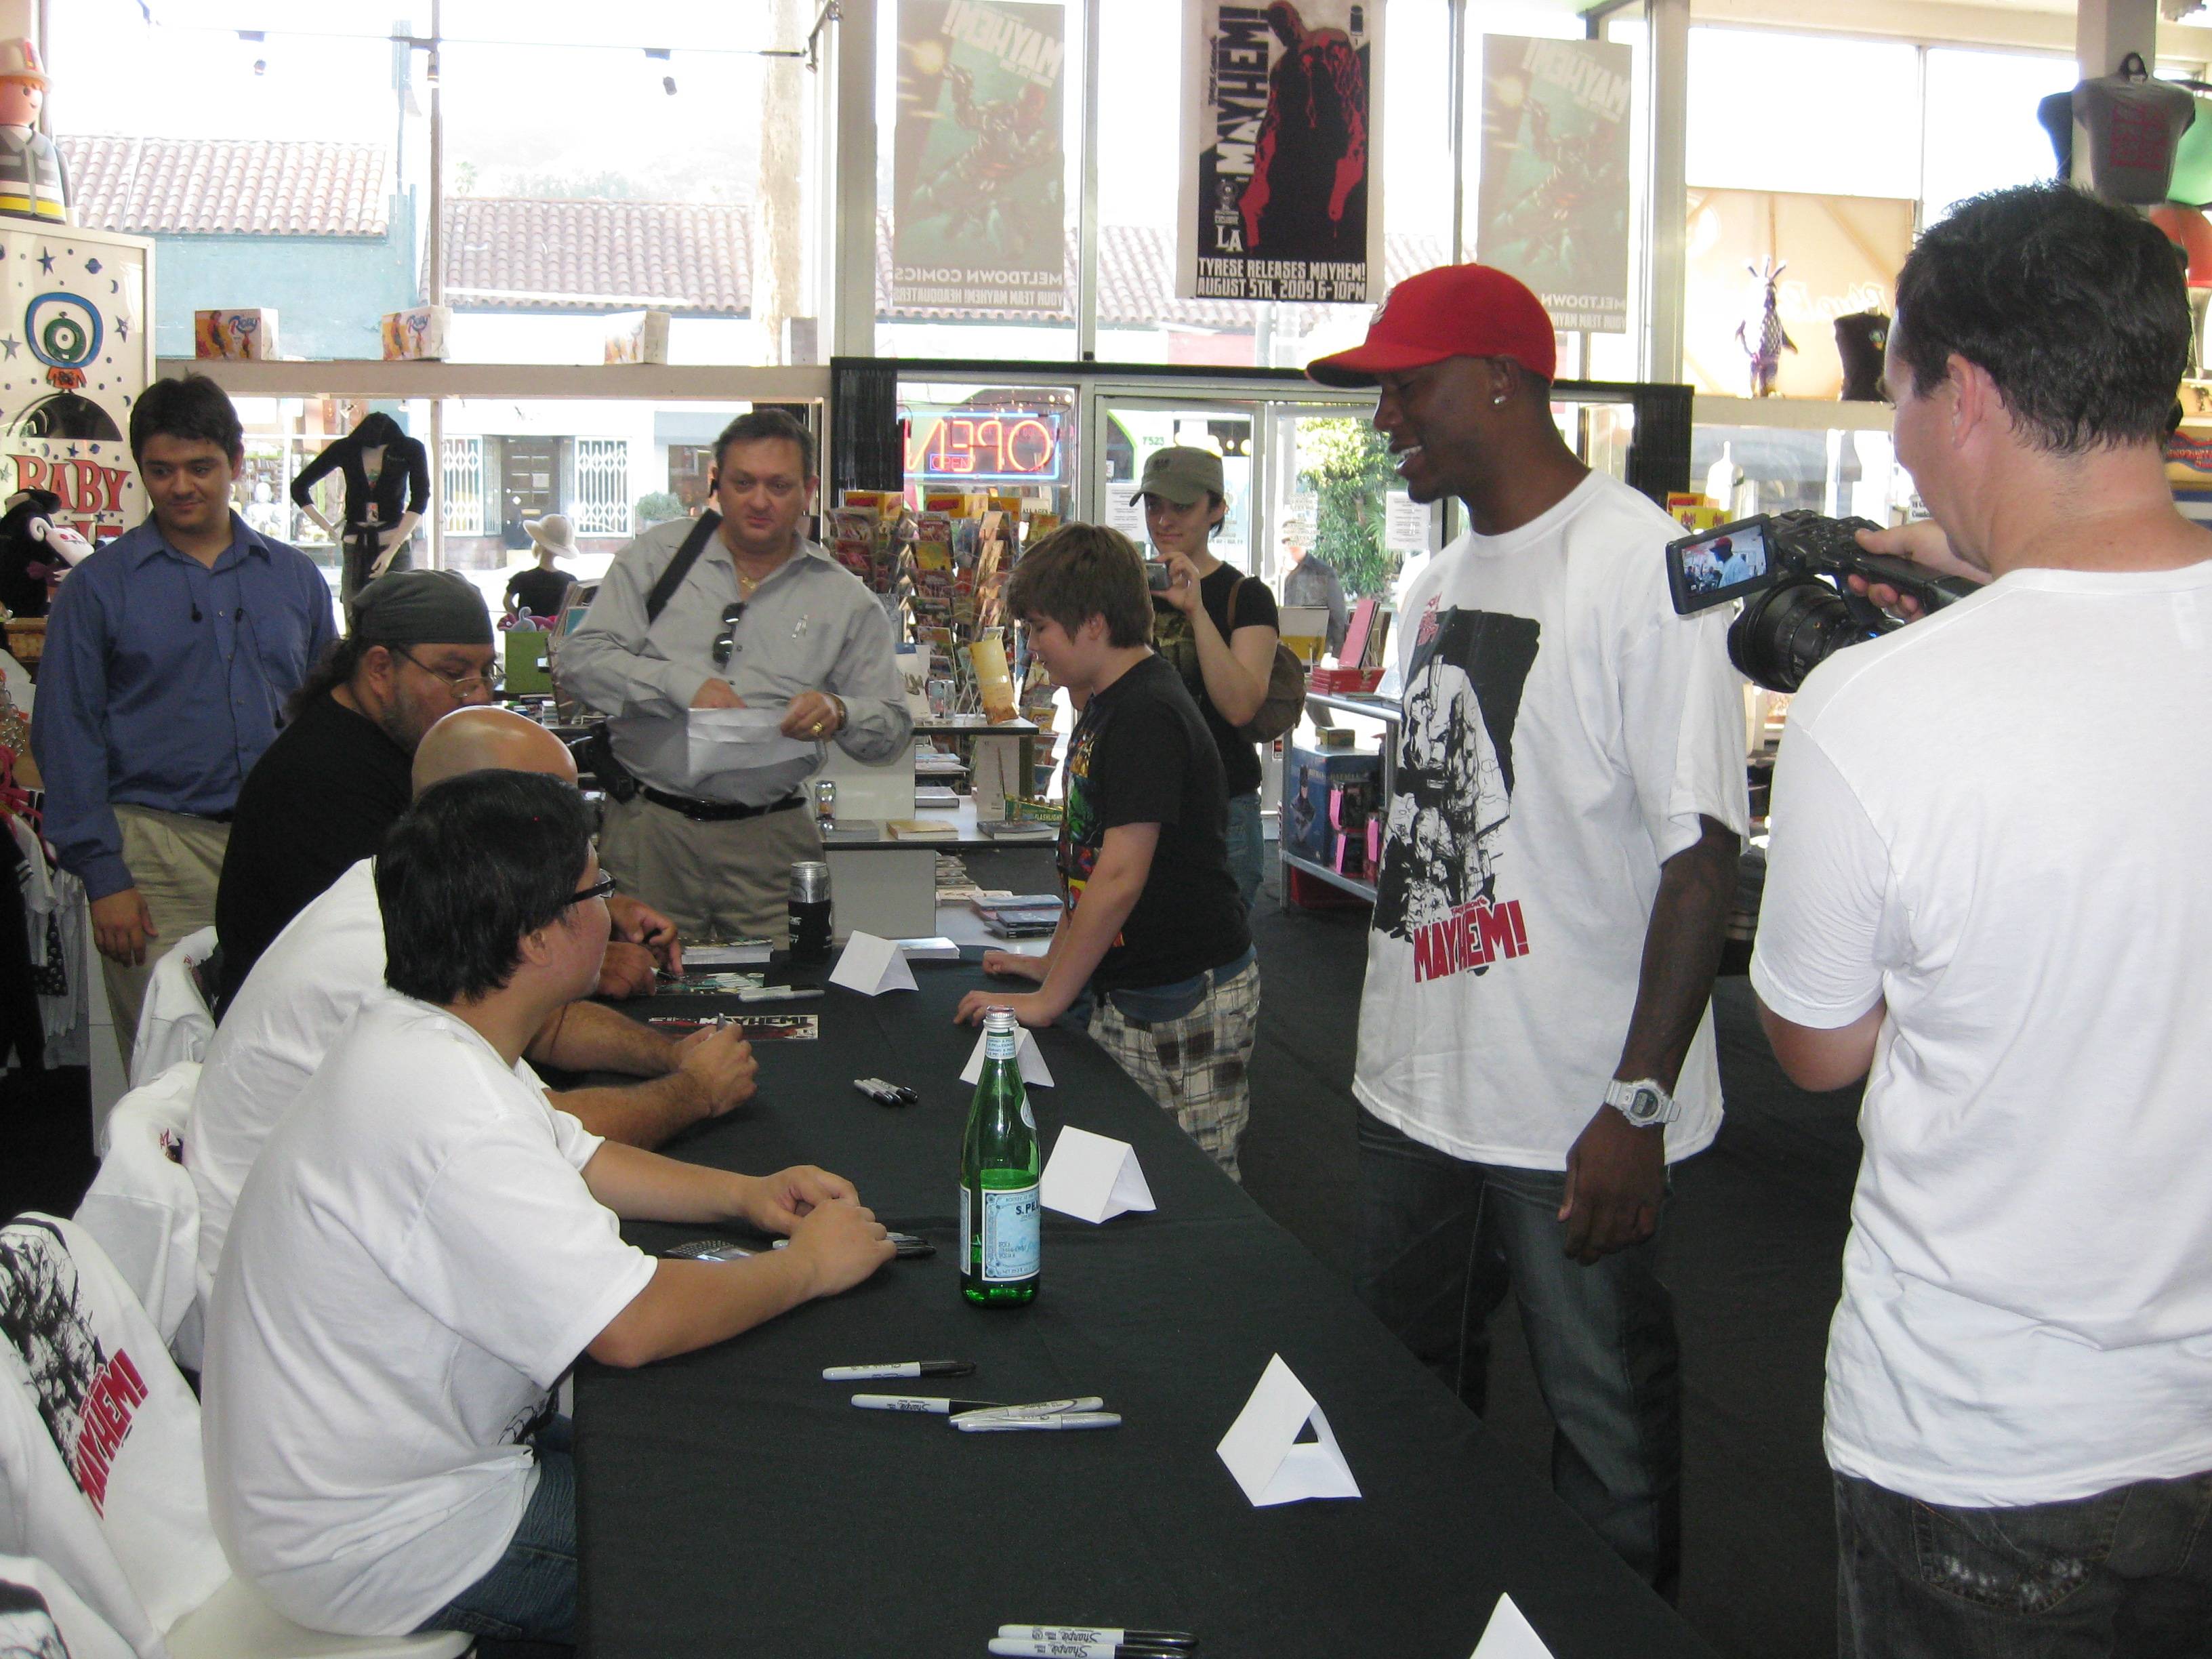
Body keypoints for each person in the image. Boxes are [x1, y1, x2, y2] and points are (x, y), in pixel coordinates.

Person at [1750, 182, 2212, 1656]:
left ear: (1967, 392)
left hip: (1990, 1448)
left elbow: (1821, 1051)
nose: (1892, 438)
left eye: (1896, 391)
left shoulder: (1879, 711)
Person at [202, 770, 891, 1643]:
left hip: (373, 1481)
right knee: (743, 1548)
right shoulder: (450, 1108)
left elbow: (582, 1156)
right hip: (381, 1542)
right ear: (534, 939)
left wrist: (747, 1197)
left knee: (714, 1455)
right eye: (595, 889)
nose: (610, 910)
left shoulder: (428, 1034)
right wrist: (806, 1268)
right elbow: (630, 1326)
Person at [1305, 264, 1746, 1598]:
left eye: (1408, 385)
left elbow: (1701, 857)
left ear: (1502, 378)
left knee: (1608, 1434)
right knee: (1406, 1400)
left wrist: (1639, 1100)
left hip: (1574, 1107)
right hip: (1418, 1089)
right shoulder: (1434, 578)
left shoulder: (1644, 569)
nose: (1387, 417)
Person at [186, 705, 739, 1303]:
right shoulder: (388, 957)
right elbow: (527, 1143)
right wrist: (694, 1092)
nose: (571, 829)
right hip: (296, 1288)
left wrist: (672, 1058)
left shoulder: (408, 899)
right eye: (547, 808)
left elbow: (551, 1064)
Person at [30, 374, 335, 1065]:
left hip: (277, 846)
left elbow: (326, 723)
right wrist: (104, 874)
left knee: (282, 1057)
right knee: (172, 1066)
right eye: (161, 470)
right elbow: (65, 730)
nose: (180, 487)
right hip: (152, 851)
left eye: (201, 467)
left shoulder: (294, 579)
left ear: (235, 462)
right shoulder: (97, 589)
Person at [957, 523, 1261, 1179]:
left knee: (1199, 1178)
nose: (1033, 647)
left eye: (1040, 628)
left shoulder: (1146, 713)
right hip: (1134, 983)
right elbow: (1084, 862)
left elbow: (1121, 875)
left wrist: (1049, 1000)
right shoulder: (1105, 703)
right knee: (1136, 1159)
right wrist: (1052, 965)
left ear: (1093, 624)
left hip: (1182, 989)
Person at [562, 409, 912, 940]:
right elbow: (579, 661)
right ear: (716, 484)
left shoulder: (844, 597)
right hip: (649, 833)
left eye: (779, 485)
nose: (759, 500)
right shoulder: (656, 559)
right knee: (645, 996)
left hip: (771, 844)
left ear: (809, 490)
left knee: (787, 1000)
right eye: (743, 482)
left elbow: (890, 729)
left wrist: (840, 712)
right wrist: (682, 687)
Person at [209, 570, 497, 1012]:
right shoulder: (319, 779)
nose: (477, 695)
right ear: (380, 668)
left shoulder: (400, 744)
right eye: (455, 674)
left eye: (485, 673)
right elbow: (417, 947)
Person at [1141, 447, 1281, 911]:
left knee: (1219, 969)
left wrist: (1197, 610)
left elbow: (1241, 704)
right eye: (1154, 505)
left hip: (1222, 812)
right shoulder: (1131, 591)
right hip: (1139, 804)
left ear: (1218, 508)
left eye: (1182, 506)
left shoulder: (1247, 596)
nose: (1164, 521)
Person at [289, 412, 430, 605]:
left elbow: (421, 498)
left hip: (392, 542)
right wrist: (328, 527)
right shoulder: (347, 449)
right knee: (357, 615)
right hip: (358, 544)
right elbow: (299, 488)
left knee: (399, 615)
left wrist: (393, 548)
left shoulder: (409, 449)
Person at [1279, 531, 1349, 658]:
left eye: (1292, 540)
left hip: (1322, 650)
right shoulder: (1290, 577)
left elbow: (1338, 616)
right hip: (1295, 649)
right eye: (1285, 541)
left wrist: (1337, 655)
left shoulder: (1323, 572)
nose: (1289, 545)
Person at [504, 513, 579, 622]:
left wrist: (519, 619)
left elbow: (507, 601)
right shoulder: (570, 581)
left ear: (538, 544)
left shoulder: (521, 579)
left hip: (526, 635)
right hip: (556, 636)